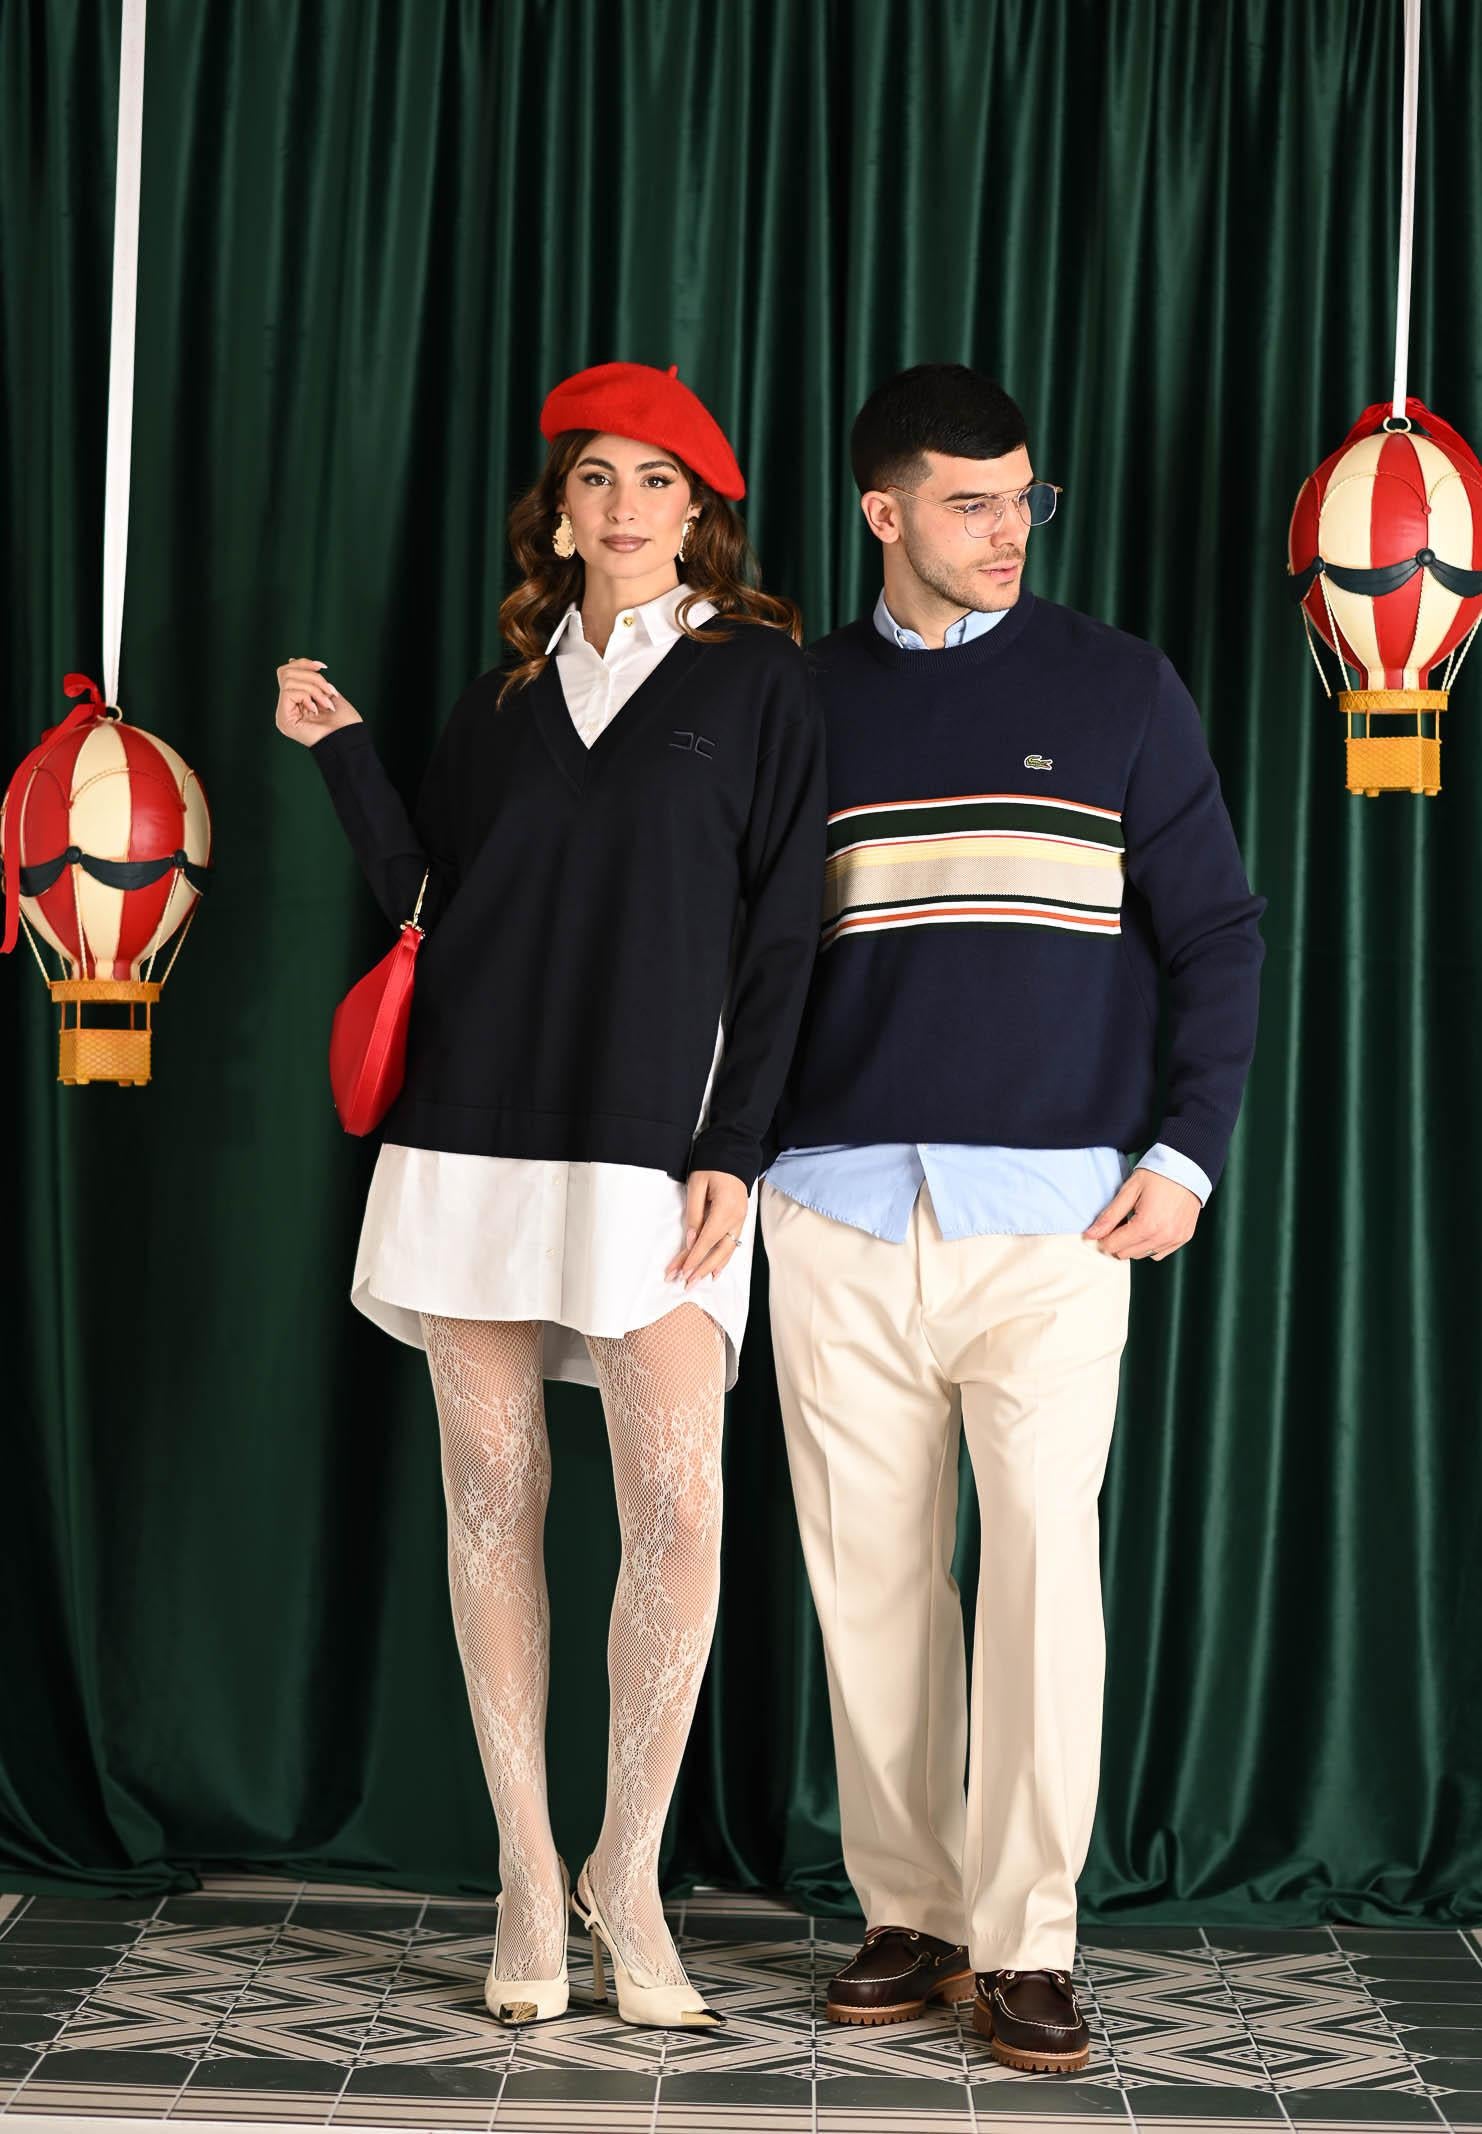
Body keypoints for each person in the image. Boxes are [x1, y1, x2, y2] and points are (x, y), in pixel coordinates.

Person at [273, 360, 825, 2031]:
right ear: (560, 512)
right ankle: (526, 1870)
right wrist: (346, 756)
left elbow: (784, 932)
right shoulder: (503, 701)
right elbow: (432, 899)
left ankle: (625, 1872)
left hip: (657, 1144)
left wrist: (734, 1143)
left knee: (679, 1509)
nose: (624, 505)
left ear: (699, 515)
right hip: (468, 1136)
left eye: (656, 480)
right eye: (596, 477)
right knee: (491, 1498)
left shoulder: (760, 681)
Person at [760, 363, 1265, 2073]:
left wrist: (1185, 1154)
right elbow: (733, 947)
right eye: (969, 503)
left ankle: (1028, 1936)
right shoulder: (796, 698)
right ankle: (908, 1907)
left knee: (1044, 1568)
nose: (1008, 530)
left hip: (1055, 1222)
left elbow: (1215, 933)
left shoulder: (1118, 685)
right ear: (880, 511)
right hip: (831, 1208)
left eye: (1023, 498)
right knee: (869, 1582)